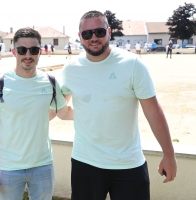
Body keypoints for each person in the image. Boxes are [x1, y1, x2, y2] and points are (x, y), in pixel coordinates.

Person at [60, 10, 177, 200]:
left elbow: (153, 110)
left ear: (109, 31)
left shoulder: (132, 64)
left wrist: (169, 154)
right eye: (87, 34)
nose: (94, 38)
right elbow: (58, 107)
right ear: (80, 37)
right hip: (85, 163)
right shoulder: (71, 70)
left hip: (128, 164)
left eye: (99, 31)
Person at [0, 27, 73, 200]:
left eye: (33, 50)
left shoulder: (50, 83)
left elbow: (64, 112)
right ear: (14, 52)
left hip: (43, 166)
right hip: (8, 168)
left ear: (40, 52)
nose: (28, 55)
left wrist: (93, 111)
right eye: (22, 50)